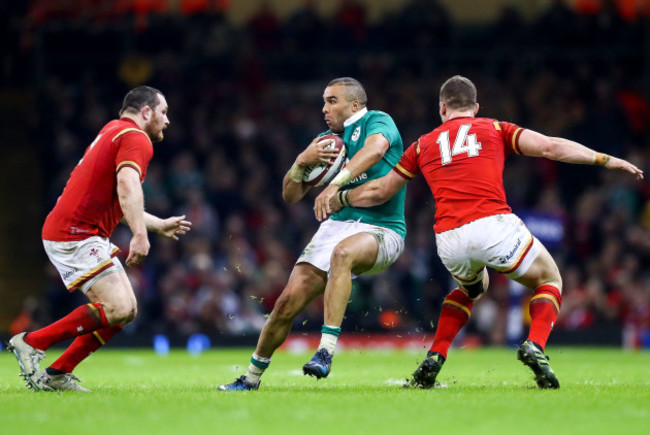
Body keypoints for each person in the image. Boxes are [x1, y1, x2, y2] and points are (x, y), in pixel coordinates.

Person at [320, 75, 643, 389]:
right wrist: (604, 159)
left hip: (448, 238)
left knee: (473, 288)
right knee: (549, 279)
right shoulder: (495, 128)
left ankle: (435, 355)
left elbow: (380, 192)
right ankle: (535, 346)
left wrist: (341, 196)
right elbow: (550, 147)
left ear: (442, 109)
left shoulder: (422, 145)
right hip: (491, 224)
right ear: (475, 107)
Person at [219, 77, 406, 390]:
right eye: (324, 101)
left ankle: (325, 352)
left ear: (355, 105)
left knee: (342, 254)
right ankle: (250, 379)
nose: (324, 108)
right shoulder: (325, 142)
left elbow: (375, 151)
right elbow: (290, 195)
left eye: (332, 101)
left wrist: (335, 184)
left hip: (383, 229)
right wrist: (299, 163)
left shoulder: (378, 121)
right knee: (286, 304)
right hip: (336, 227)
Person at [7, 86, 192, 392]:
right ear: (146, 112)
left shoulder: (113, 131)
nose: (167, 120)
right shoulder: (136, 137)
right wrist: (139, 236)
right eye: (164, 112)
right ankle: (31, 341)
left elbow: (115, 201)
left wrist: (157, 224)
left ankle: (57, 374)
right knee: (118, 308)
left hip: (81, 230)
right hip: (75, 232)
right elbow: (126, 185)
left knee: (126, 311)